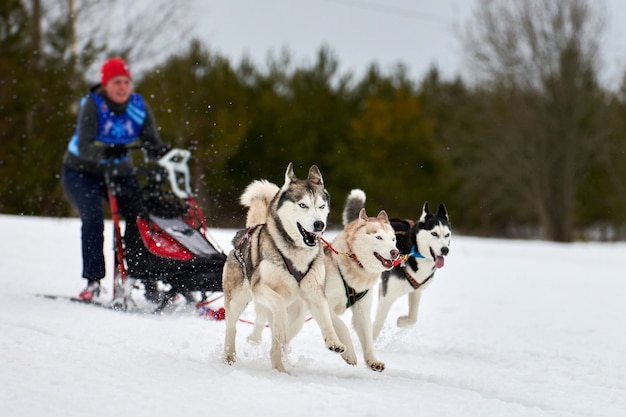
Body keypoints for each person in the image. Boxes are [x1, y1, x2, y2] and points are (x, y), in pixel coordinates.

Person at [61, 57, 168, 301]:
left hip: (120, 171)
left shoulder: (138, 106)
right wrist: (106, 151)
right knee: (93, 219)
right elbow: (86, 146)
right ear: (105, 84)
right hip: (82, 171)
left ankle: (141, 276)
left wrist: (160, 152)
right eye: (116, 82)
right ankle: (93, 281)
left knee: (138, 217)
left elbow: (151, 141)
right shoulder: (93, 104)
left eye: (126, 82)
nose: (122, 87)